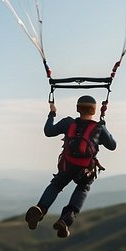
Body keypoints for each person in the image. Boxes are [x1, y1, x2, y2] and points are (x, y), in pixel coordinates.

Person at [25, 94, 116, 238]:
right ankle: (65, 220)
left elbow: (48, 131)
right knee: (83, 188)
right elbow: (112, 145)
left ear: (77, 108)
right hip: (85, 169)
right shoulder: (98, 128)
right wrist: (103, 127)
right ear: (94, 110)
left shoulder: (68, 123)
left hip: (67, 165)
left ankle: (40, 208)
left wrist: (52, 113)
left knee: (56, 185)